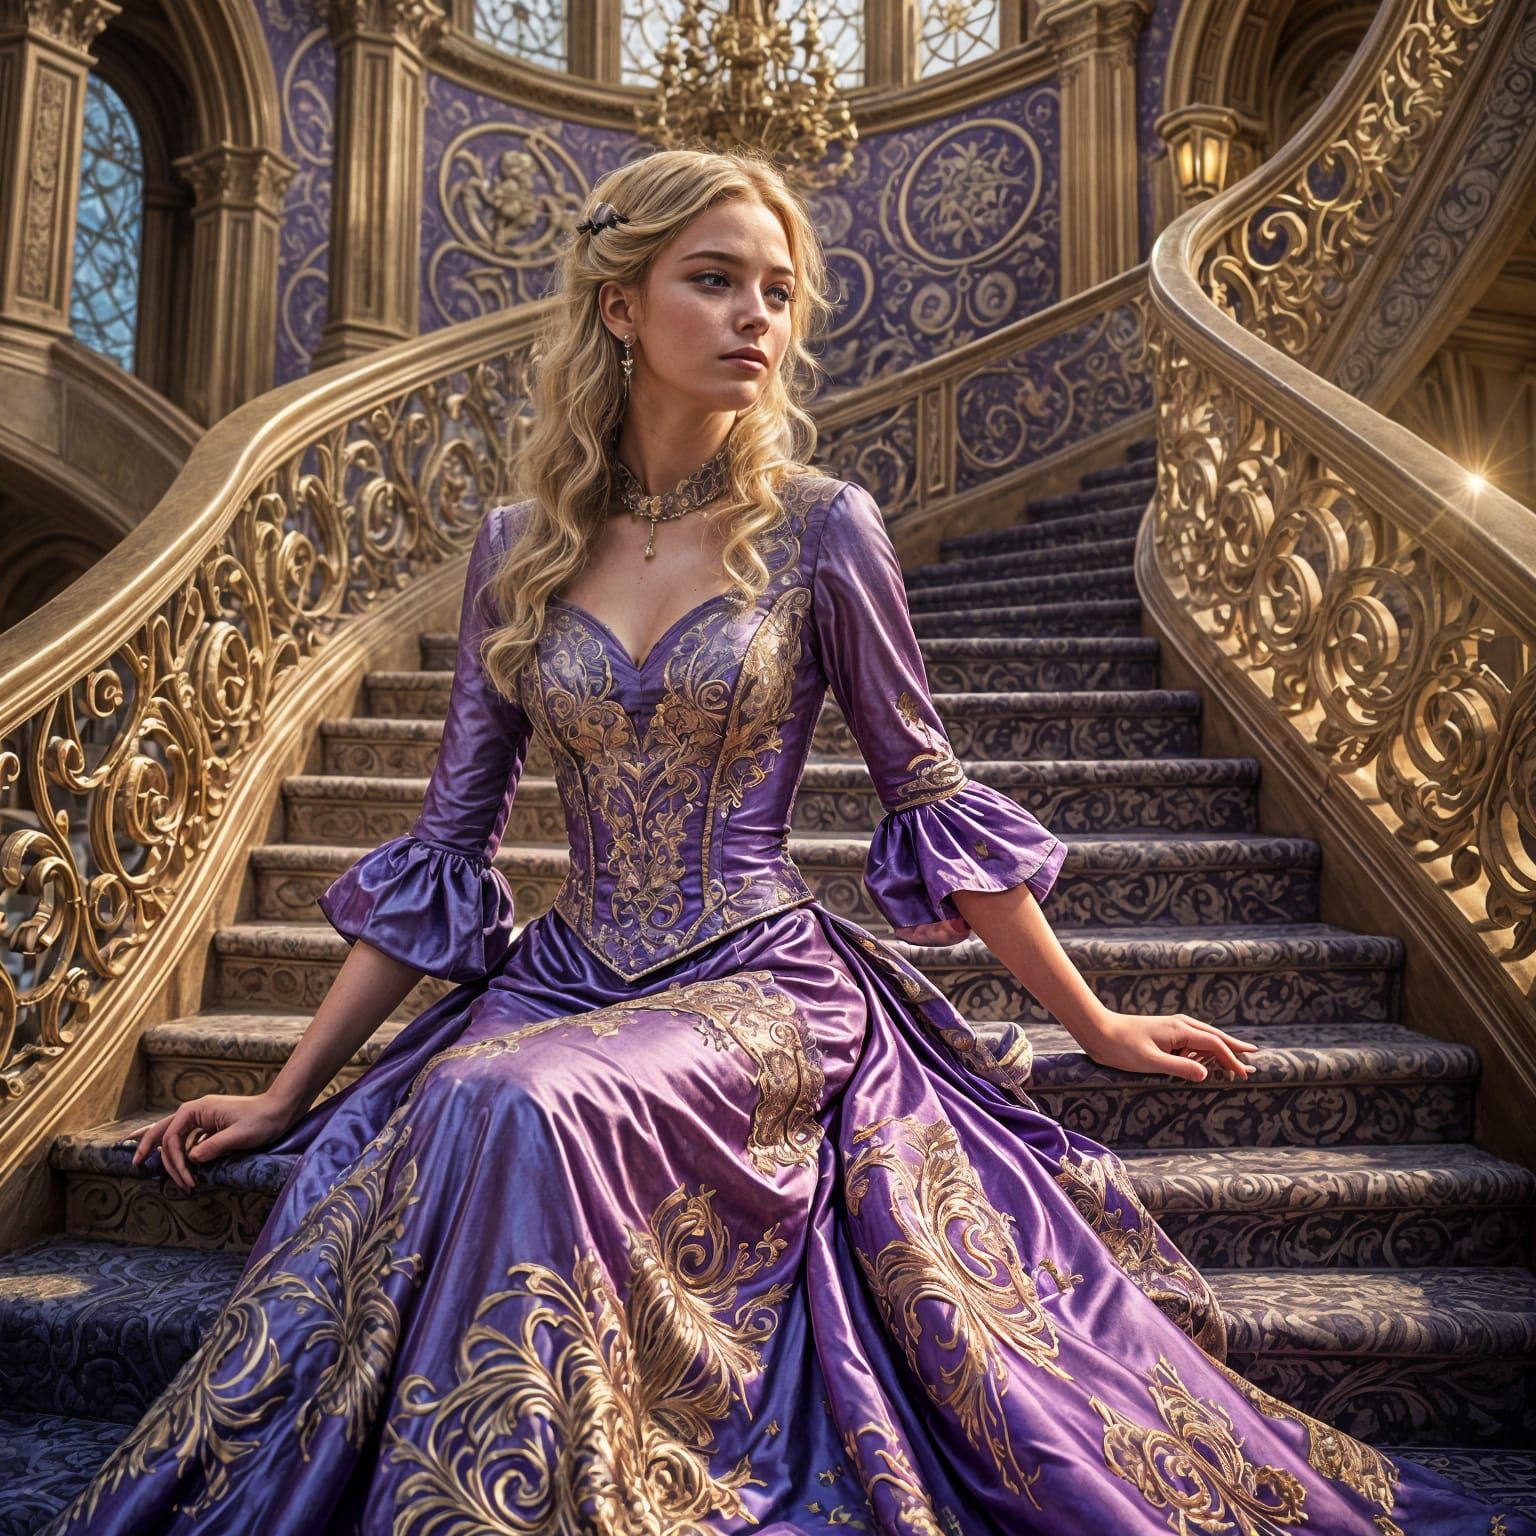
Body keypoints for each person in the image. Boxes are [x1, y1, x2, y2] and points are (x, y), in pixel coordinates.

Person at [43, 147, 1528, 1535]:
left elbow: (925, 793)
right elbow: (450, 837)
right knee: (459, 1104)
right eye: (713, 277)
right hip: (565, 973)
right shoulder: (516, 546)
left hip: (758, 984)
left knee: (513, 1107)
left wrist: (1091, 1018)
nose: (756, 313)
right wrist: (294, 1088)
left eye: (775, 288)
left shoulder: (824, 527)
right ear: (620, 306)